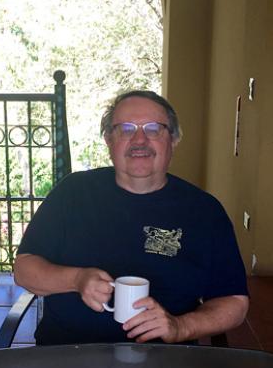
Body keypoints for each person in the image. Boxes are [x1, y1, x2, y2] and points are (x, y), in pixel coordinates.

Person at [14, 90, 249, 345]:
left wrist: (181, 326)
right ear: (109, 139)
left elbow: (234, 301)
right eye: (125, 129)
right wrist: (76, 280)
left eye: (153, 129)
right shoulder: (72, 193)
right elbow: (24, 269)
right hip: (69, 355)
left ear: (173, 139)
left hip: (164, 361)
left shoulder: (204, 211)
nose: (139, 140)